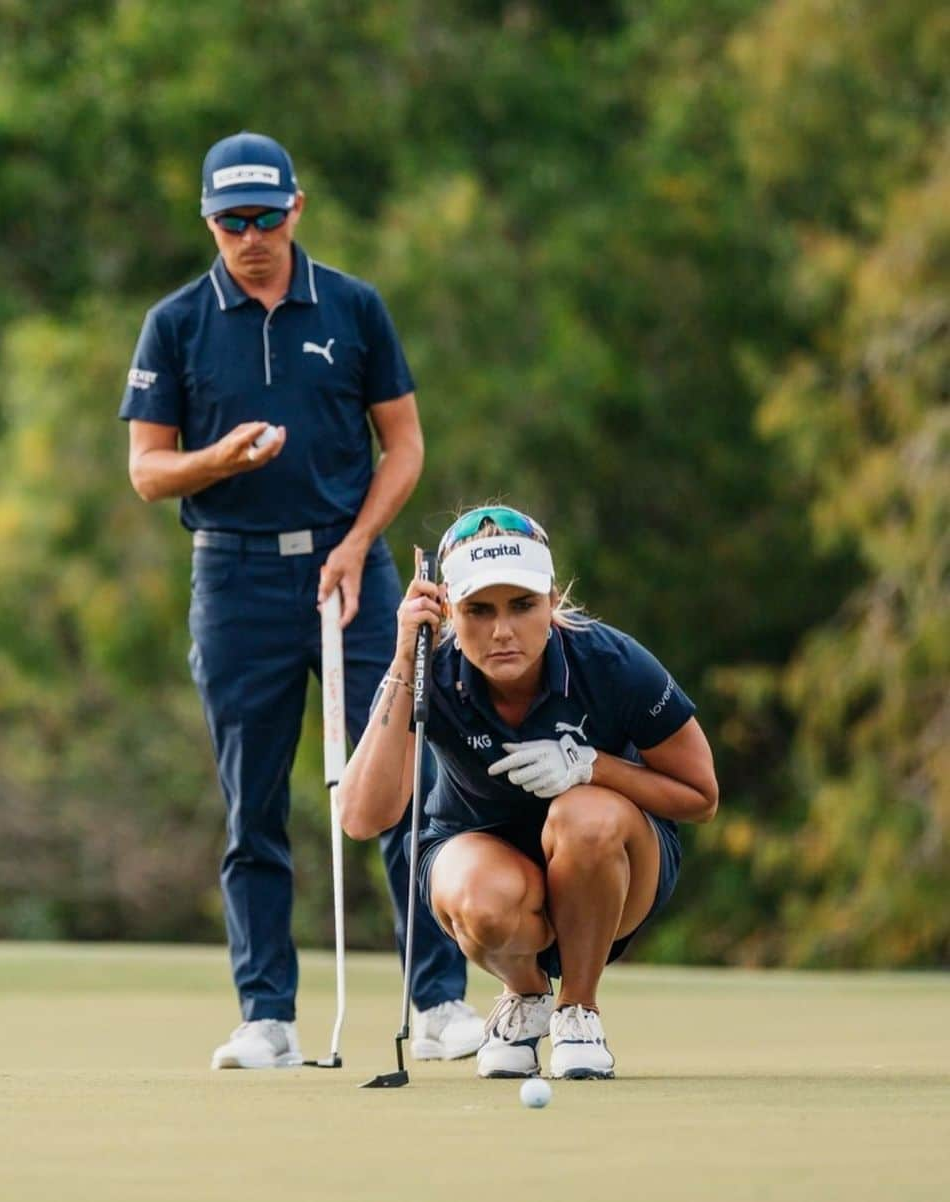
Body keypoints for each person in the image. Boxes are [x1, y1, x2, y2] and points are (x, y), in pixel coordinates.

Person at [119, 131, 480, 1069]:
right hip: (233, 578)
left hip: (353, 574)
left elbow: (404, 445)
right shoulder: (177, 324)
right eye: (232, 221)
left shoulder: (353, 308)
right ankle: (266, 1014)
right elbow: (148, 471)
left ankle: (438, 1000)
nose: (251, 236)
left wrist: (359, 544)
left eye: (266, 217)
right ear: (208, 222)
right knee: (254, 804)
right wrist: (220, 459)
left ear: (296, 208)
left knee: (398, 781)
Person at [339, 505, 718, 1079]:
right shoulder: (430, 669)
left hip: (614, 870)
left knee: (583, 816)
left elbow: (701, 796)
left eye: (522, 606)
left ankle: (578, 1009)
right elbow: (363, 818)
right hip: (485, 860)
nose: (502, 631)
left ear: (551, 599)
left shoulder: (609, 662)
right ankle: (527, 996)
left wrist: (591, 766)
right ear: (447, 608)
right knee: (477, 893)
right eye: (478, 610)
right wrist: (401, 658)